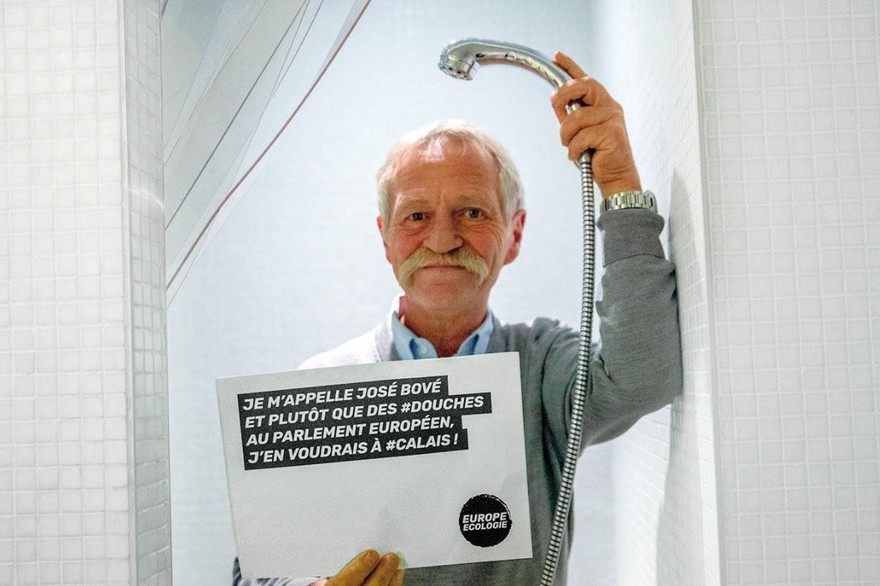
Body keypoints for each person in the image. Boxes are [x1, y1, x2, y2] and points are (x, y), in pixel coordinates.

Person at [233, 52, 681, 586]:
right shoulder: (322, 386)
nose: (442, 240)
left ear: (514, 235)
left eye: (471, 212)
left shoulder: (543, 369)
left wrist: (620, 184)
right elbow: (254, 571)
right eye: (417, 215)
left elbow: (643, 377)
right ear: (385, 238)